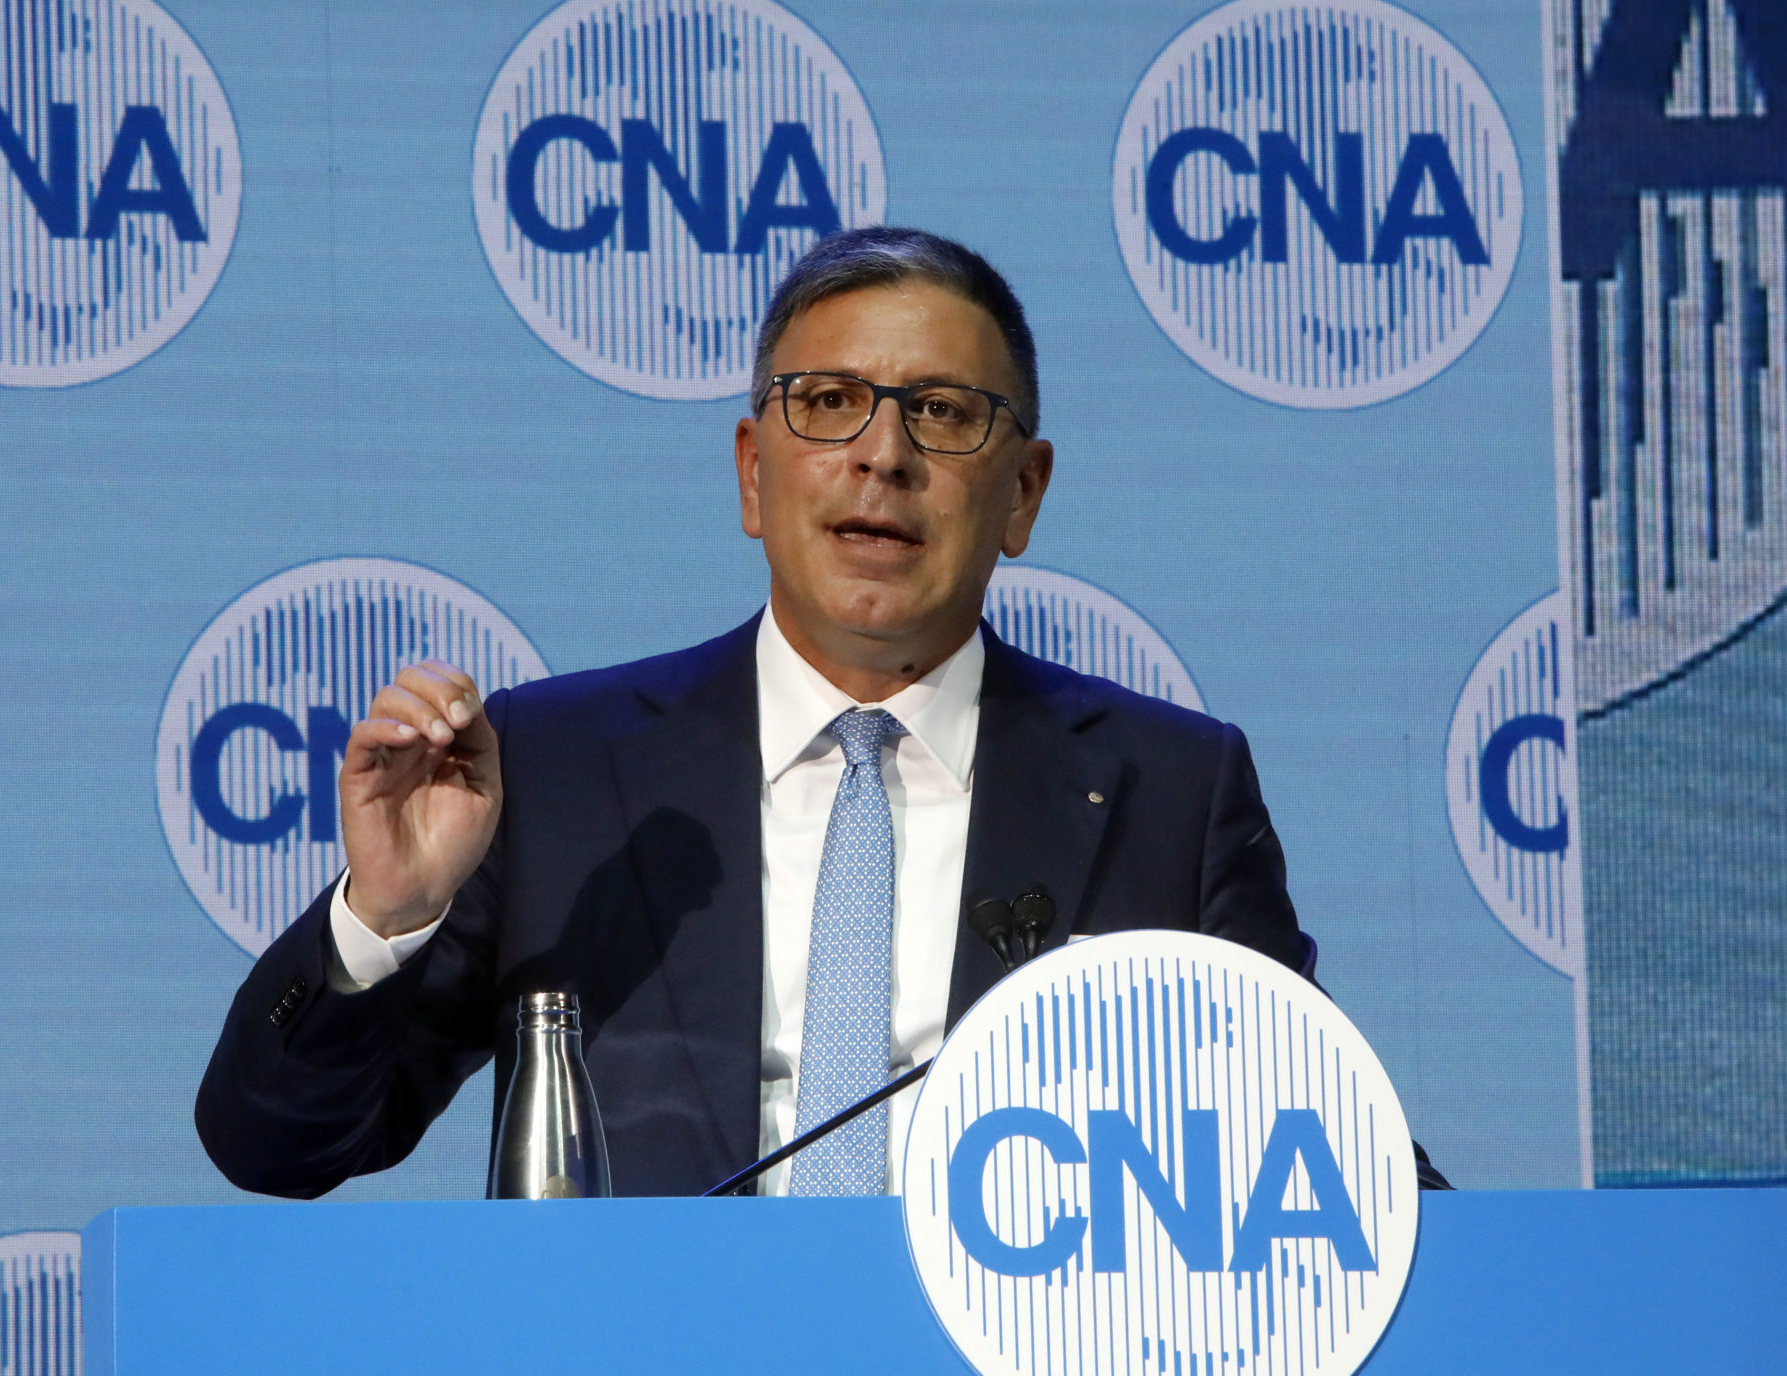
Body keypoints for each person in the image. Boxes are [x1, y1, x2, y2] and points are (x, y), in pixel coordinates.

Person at [196, 226, 1397, 1200]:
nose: (881, 454)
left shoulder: (1169, 790)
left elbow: (1337, 1169)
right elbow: (276, 1145)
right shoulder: (557, 770)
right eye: (828, 401)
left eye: (942, 412)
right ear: (750, 471)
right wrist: (383, 918)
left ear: (1023, 493)